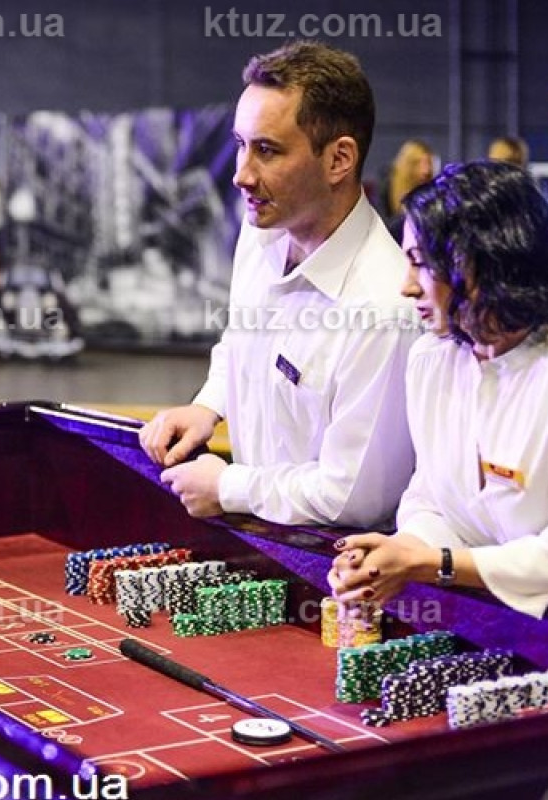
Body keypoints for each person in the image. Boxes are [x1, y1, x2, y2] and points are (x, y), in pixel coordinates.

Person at [139, 41, 417, 527]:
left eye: (266, 150)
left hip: (330, 562)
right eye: (240, 145)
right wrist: (208, 405)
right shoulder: (262, 232)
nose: (241, 175)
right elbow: (241, 340)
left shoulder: (384, 309)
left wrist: (229, 488)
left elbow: (354, 498)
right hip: (256, 535)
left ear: (339, 159)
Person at [329, 161, 548, 617]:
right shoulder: (429, 359)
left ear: (481, 264)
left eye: (420, 263)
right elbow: (427, 500)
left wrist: (430, 563)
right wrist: (396, 554)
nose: (406, 287)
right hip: (469, 619)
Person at [381, 139, 436, 240]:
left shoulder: (433, 194)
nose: (426, 170)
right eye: (418, 163)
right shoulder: (386, 190)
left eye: (428, 163)